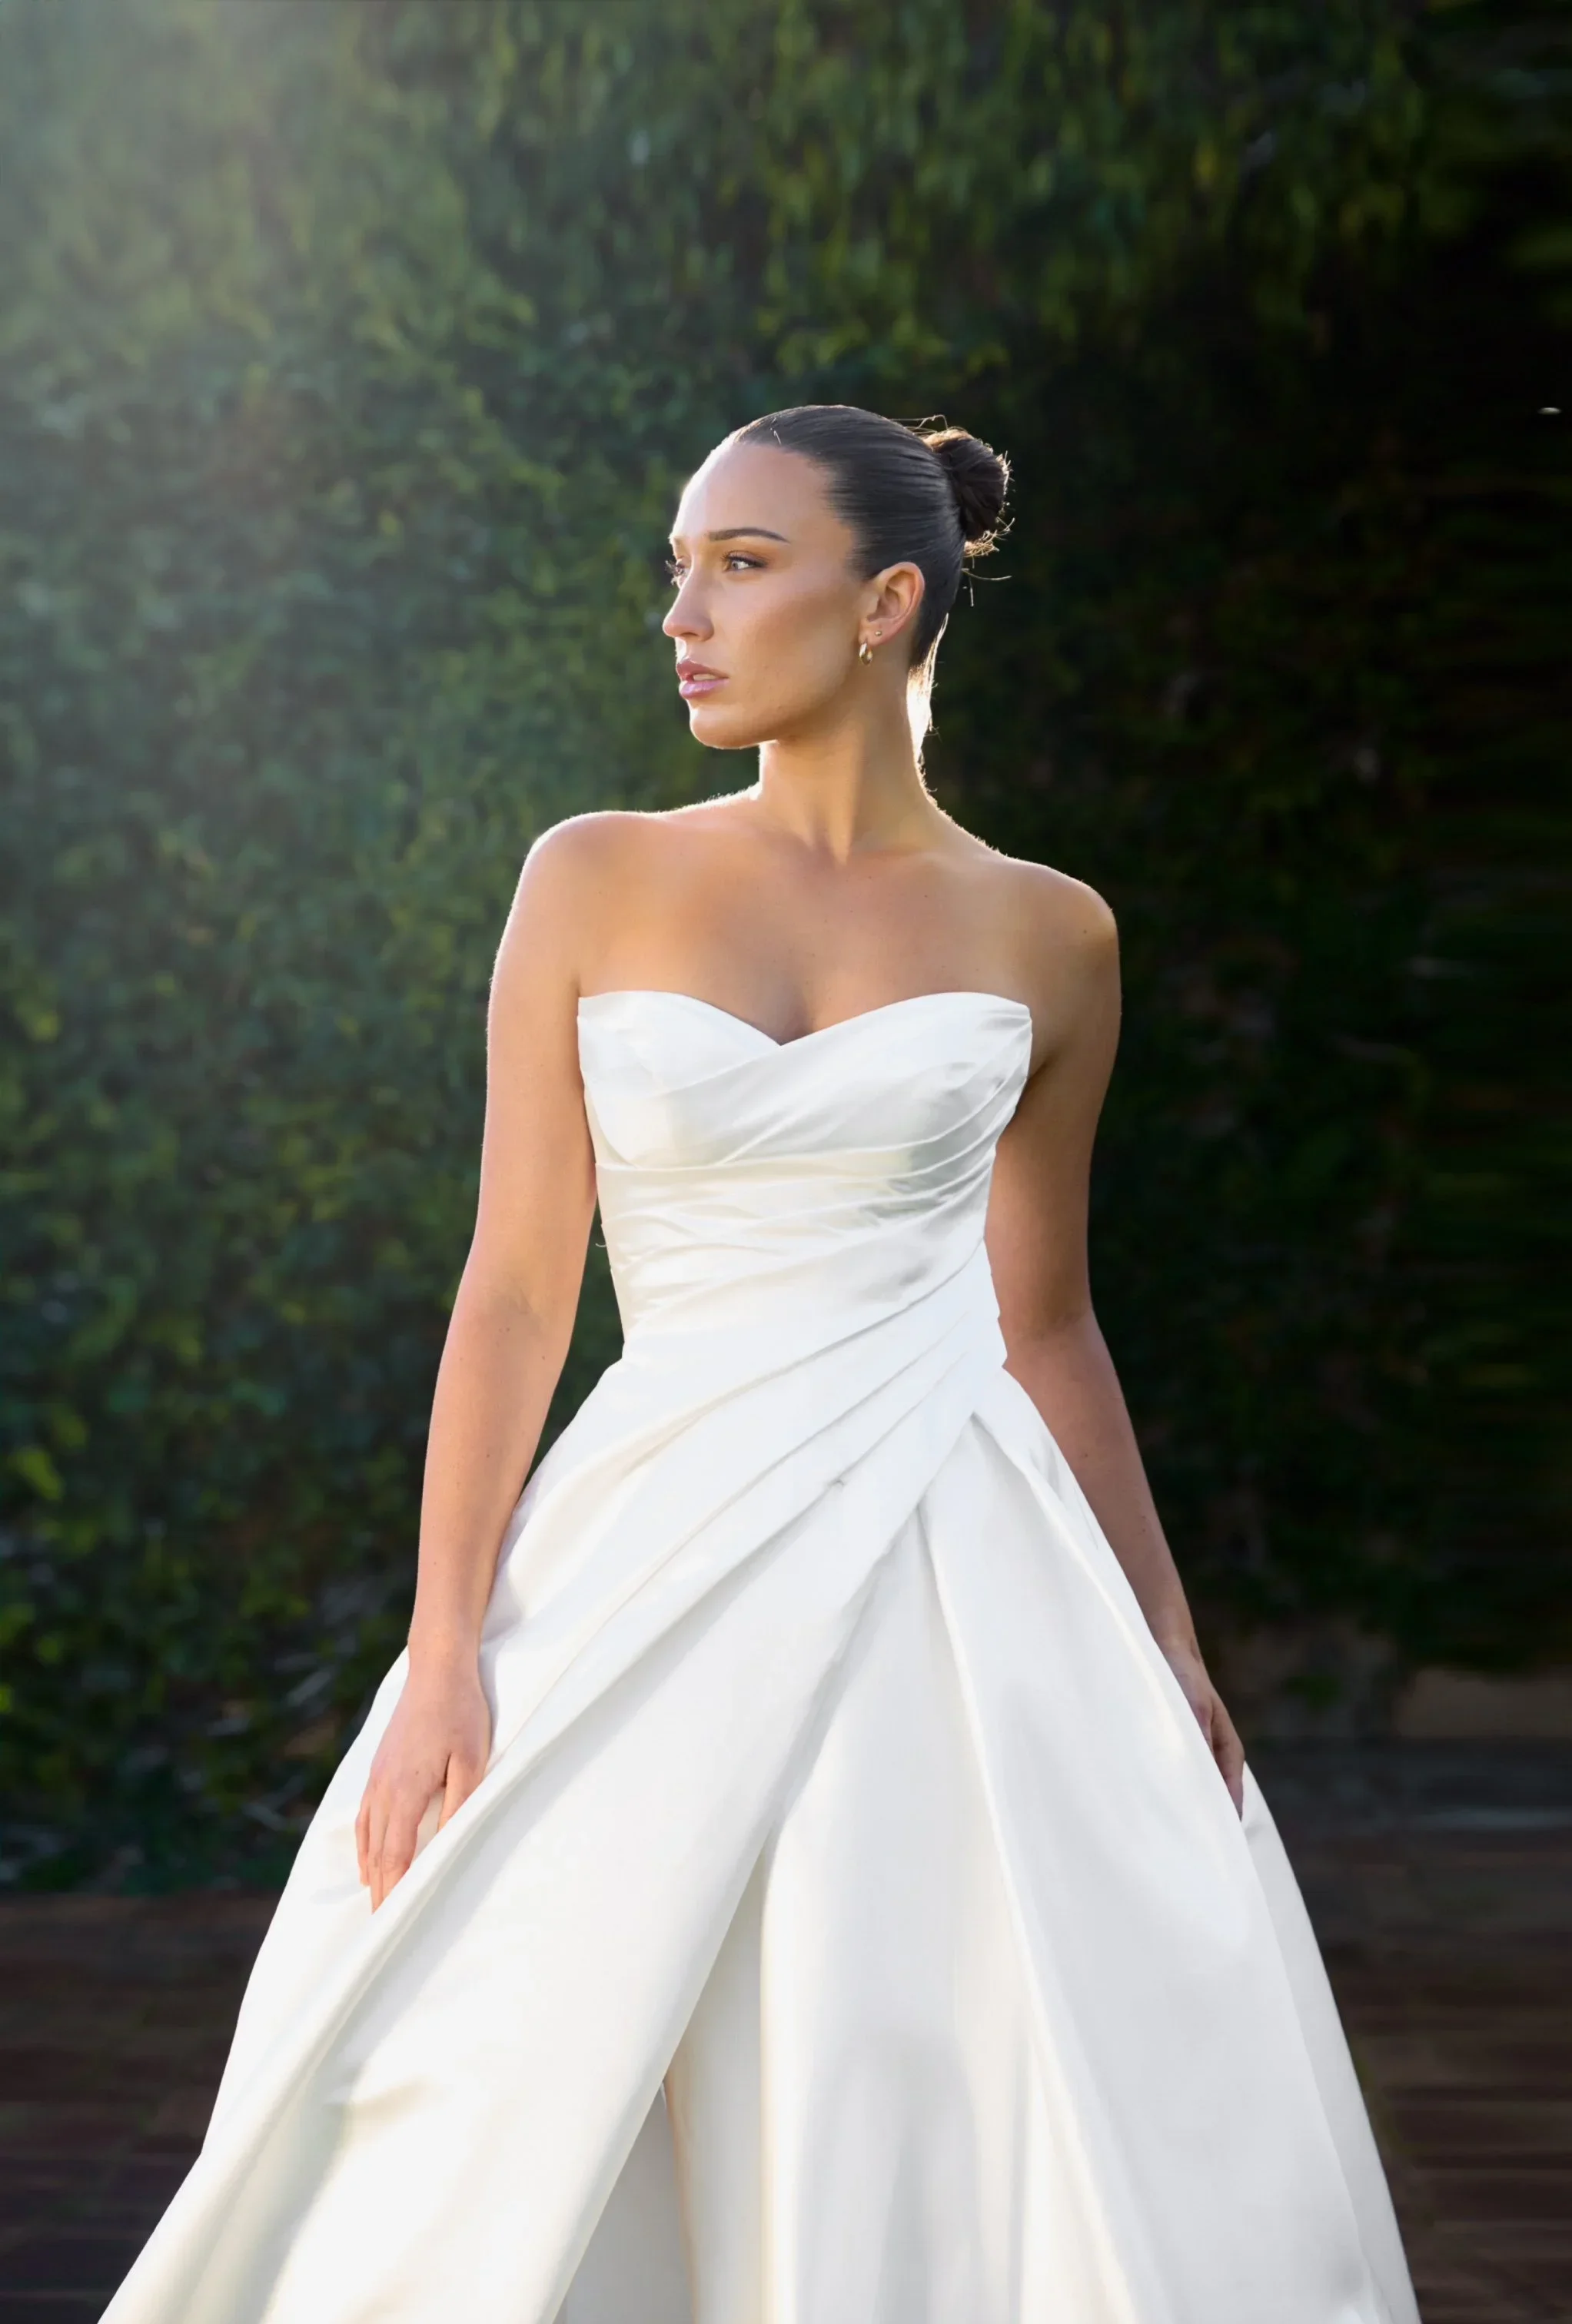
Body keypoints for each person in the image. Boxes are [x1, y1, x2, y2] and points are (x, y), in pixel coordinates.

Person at [104, 405, 1419, 2324]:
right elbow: (513, 1290)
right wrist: (449, 1645)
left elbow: (1041, 1313)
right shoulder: (592, 876)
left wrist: (1167, 1639)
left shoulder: (1051, 933)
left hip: (955, 1546)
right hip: (649, 1521)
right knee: (484, 2027)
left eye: (739, 563)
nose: (683, 615)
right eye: (676, 569)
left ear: (888, 600)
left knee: (947, 2022)